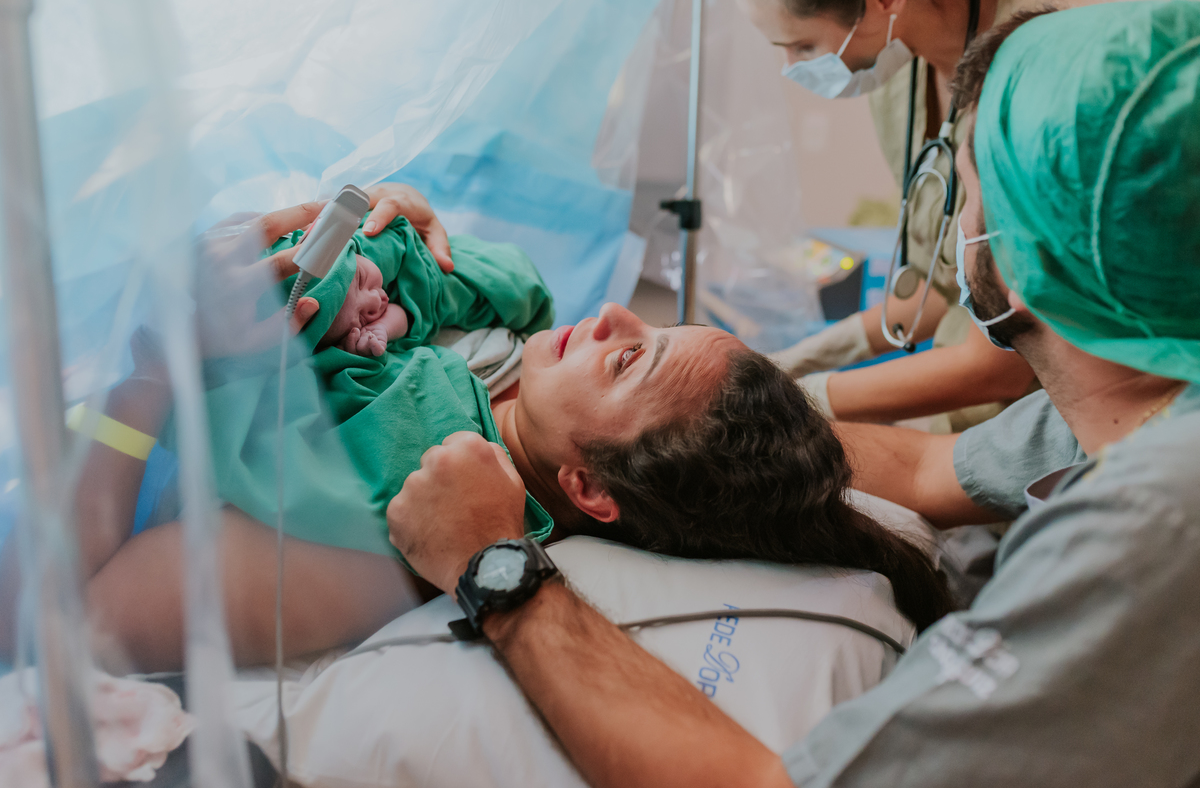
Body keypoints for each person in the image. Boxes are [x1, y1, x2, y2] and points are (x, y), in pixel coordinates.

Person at [386, 0, 1200, 787]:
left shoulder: (1152, 526)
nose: (954, 224)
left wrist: (495, 567)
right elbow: (928, 469)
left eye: (970, 190)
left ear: (1034, 264)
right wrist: (736, 424)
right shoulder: (1131, 409)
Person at [23, 190, 952, 672]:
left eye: (628, 360)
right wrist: (387, 239)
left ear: (588, 487)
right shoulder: (514, 357)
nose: (615, 317)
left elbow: (69, 619)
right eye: (652, 329)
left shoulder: (377, 534)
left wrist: (151, 376)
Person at [734, 0, 1099, 428]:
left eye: (804, 46)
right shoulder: (901, 76)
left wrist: (802, 400)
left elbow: (1003, 359)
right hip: (965, 412)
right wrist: (795, 361)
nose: (793, 67)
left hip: (1054, 417)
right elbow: (945, 288)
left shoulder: (1048, 71)